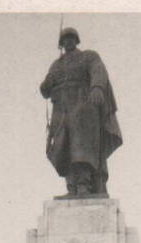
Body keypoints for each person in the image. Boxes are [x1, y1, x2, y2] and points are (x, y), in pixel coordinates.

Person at [40, 27, 123, 197]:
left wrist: (97, 88)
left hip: (83, 107)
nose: (68, 41)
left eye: (71, 38)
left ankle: (84, 185)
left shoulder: (88, 56)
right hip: (62, 110)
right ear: (61, 43)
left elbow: (98, 71)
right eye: (65, 39)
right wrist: (47, 82)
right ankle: (71, 188)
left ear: (77, 40)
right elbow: (44, 90)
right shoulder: (56, 65)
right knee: (64, 147)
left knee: (81, 147)